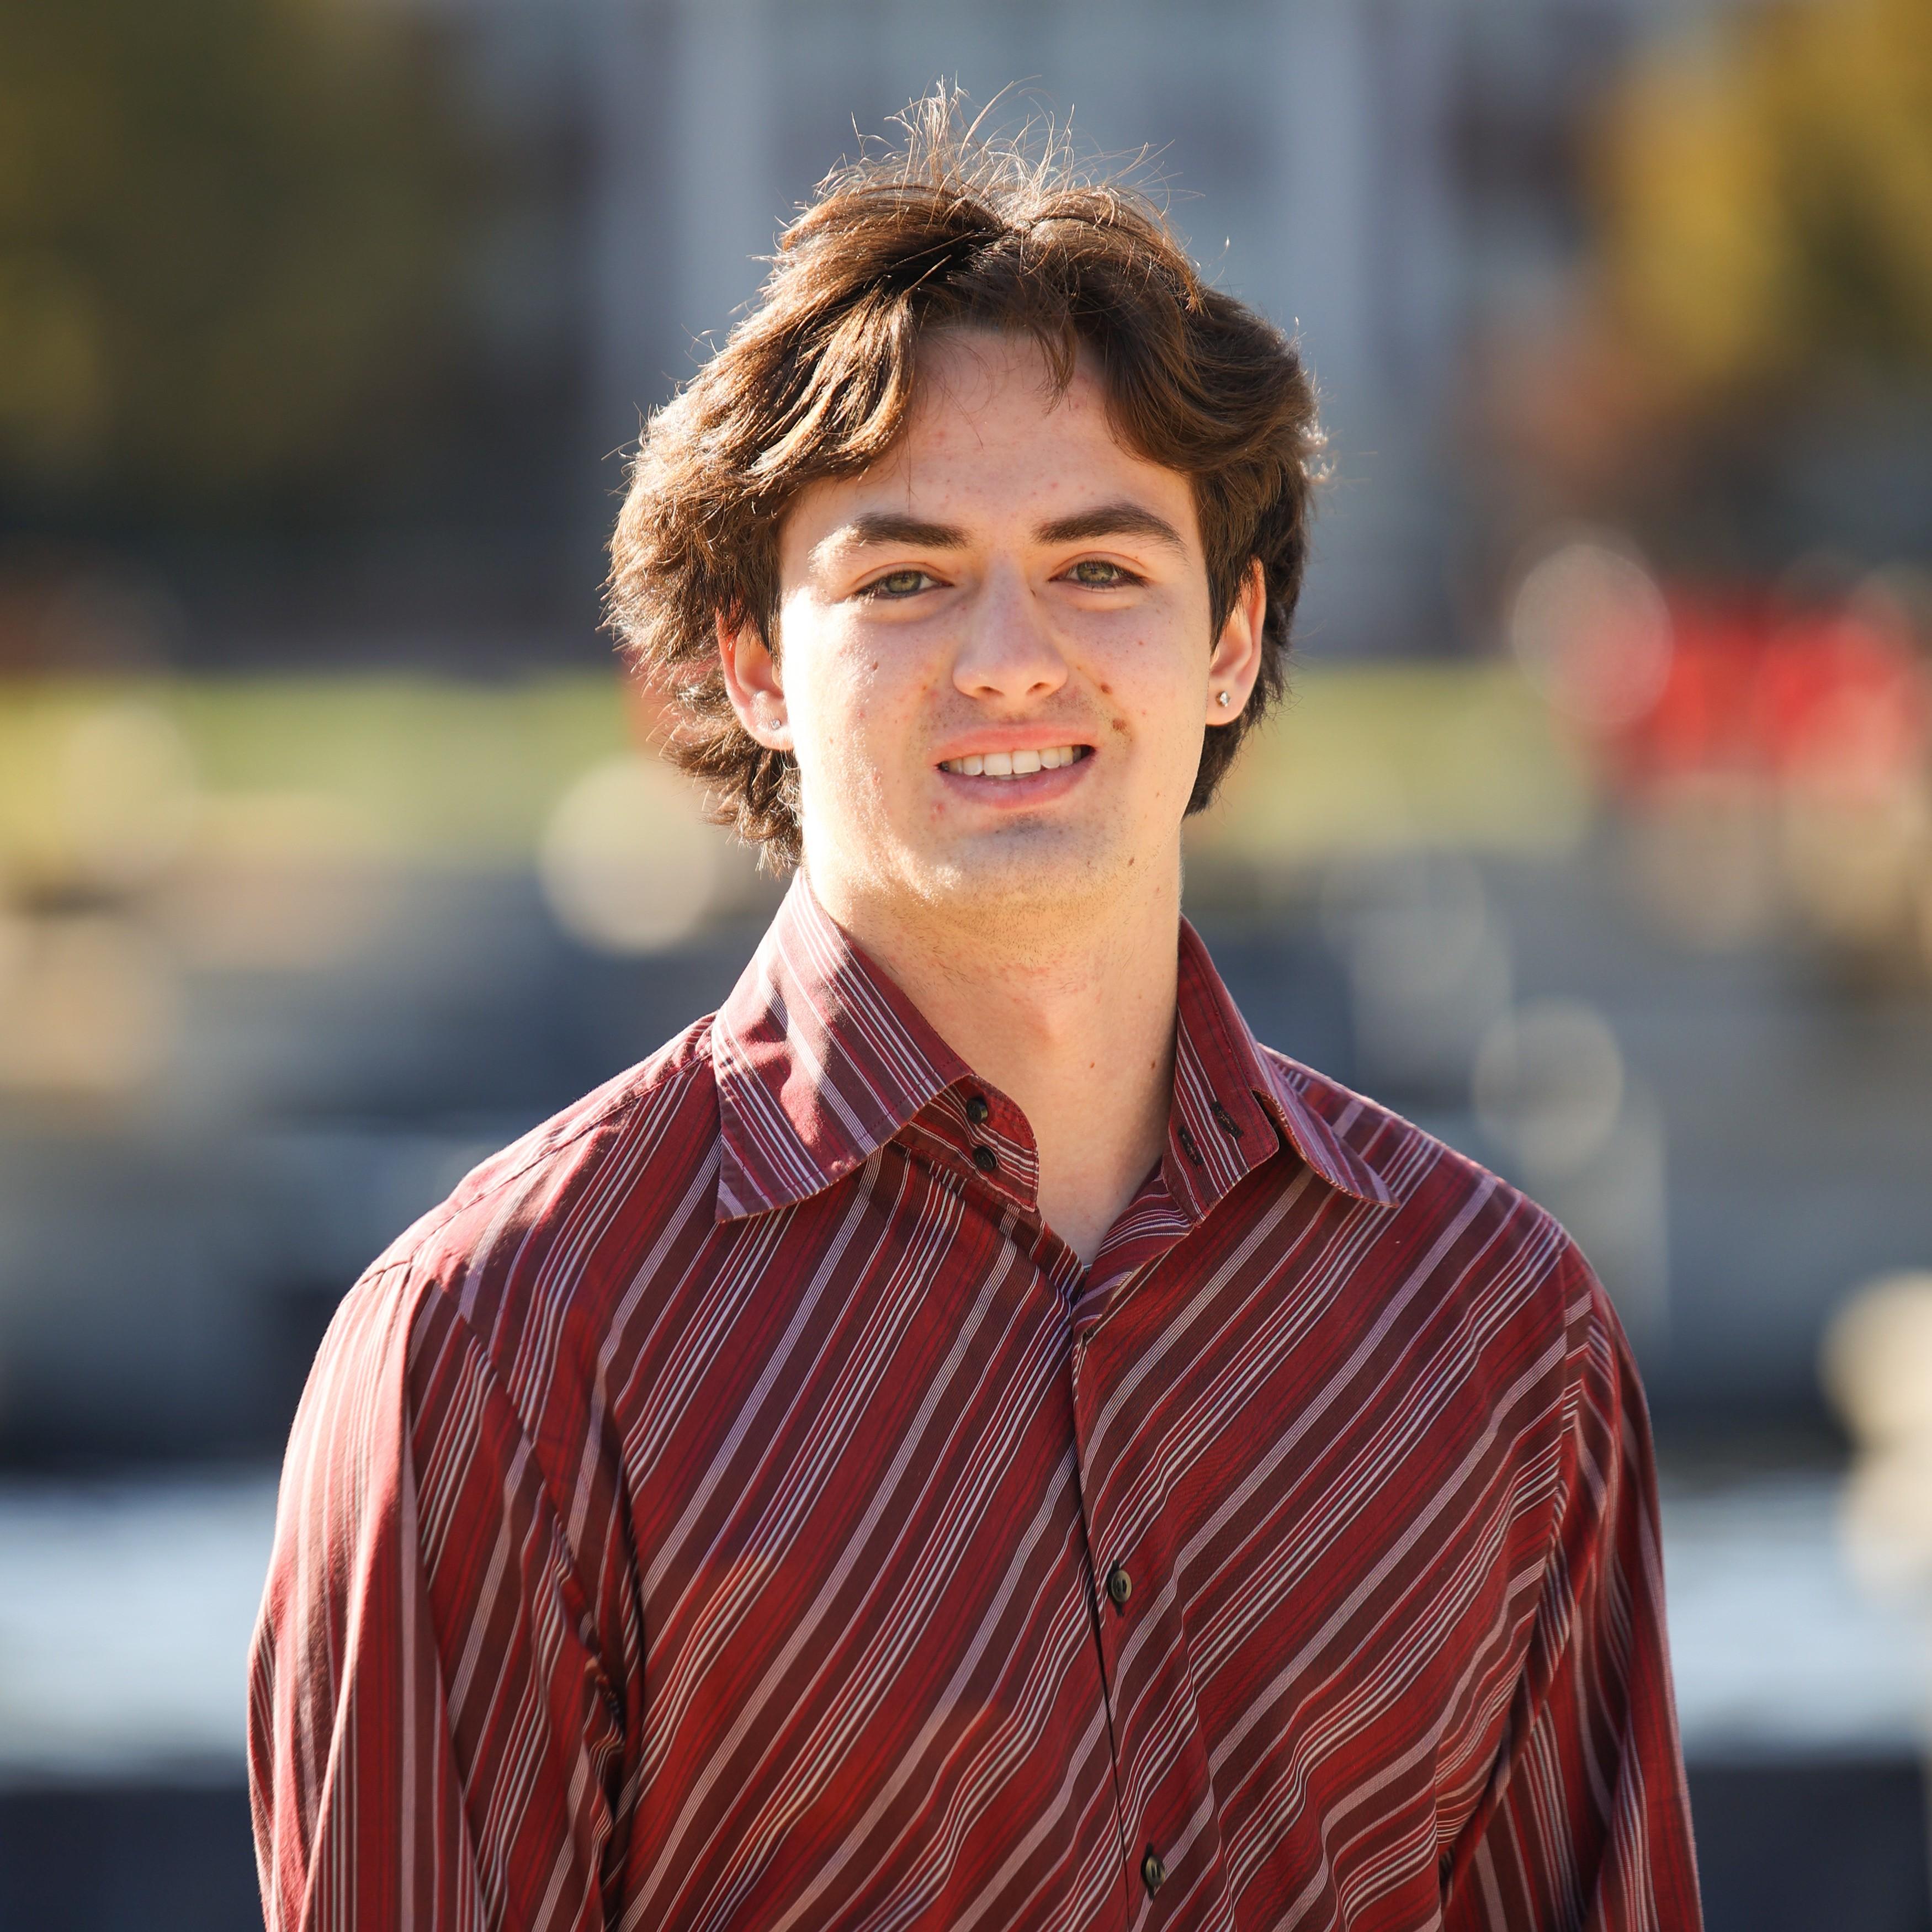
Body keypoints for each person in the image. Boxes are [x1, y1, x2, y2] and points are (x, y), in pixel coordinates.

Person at [249, 99, 1701, 1932]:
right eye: (905, 577)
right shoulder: (496, 1353)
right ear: (751, 662)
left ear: (1229, 638)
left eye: (1100, 566)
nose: (1011, 656)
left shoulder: (1496, 1328)